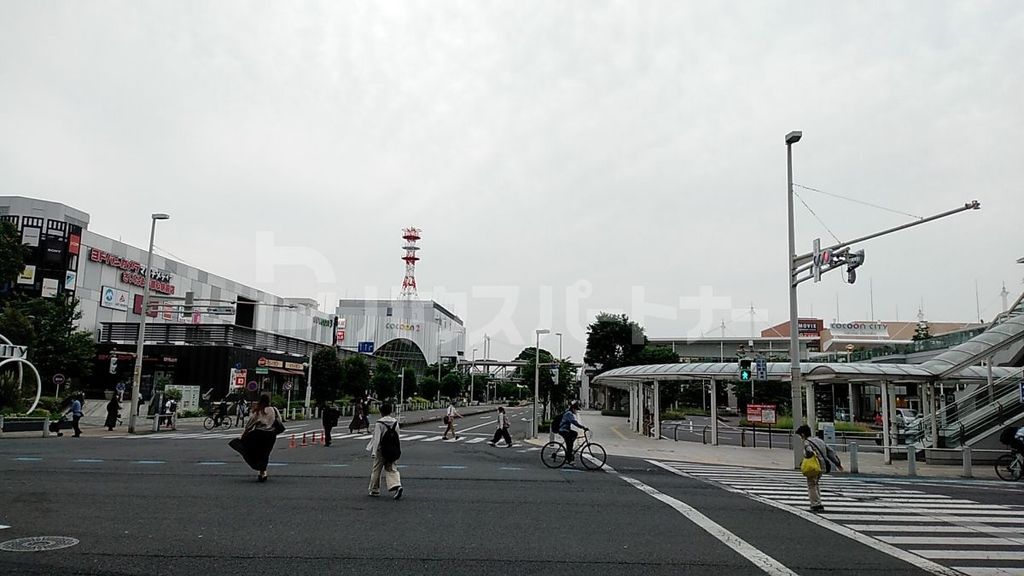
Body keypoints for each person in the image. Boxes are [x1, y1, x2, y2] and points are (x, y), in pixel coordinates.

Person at [231, 393, 283, 482]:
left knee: (255, 451)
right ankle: (263, 472)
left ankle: (260, 470)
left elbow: (249, 425)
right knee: (265, 453)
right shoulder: (274, 410)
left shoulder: (259, 411)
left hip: (258, 434)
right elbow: (280, 421)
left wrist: (243, 436)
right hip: (270, 435)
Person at [796, 424, 844, 512]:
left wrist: (806, 458)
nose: (800, 438)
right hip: (822, 466)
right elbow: (830, 452)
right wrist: (837, 463)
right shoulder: (819, 440)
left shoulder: (806, 442)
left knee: (811, 485)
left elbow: (809, 451)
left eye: (800, 435)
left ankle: (816, 504)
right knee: (815, 483)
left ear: (802, 434)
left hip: (814, 466)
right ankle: (818, 502)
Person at [366, 403, 403, 500]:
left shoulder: (380, 423)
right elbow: (397, 437)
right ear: (390, 411)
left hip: (381, 450)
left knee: (377, 469)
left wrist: (373, 452)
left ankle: (374, 489)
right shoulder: (395, 422)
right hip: (392, 450)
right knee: (392, 468)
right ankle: (397, 485)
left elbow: (376, 438)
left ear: (381, 411)